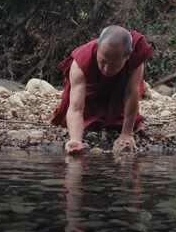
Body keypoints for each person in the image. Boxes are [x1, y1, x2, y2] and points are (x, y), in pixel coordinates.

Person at [50, 25, 154, 155]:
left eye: (113, 65)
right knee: (88, 123)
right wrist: (75, 140)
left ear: (127, 57)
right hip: (89, 97)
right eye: (102, 62)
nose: (106, 69)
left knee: (120, 123)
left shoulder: (135, 59)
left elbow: (131, 93)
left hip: (118, 91)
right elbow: (76, 108)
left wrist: (126, 134)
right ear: (98, 48)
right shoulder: (82, 59)